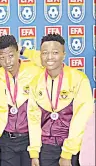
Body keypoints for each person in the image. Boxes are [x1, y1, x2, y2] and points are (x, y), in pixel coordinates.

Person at [27, 34, 94, 166]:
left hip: (71, 147)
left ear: (64, 54)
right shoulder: (36, 82)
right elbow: (33, 119)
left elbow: (81, 117)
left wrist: (67, 153)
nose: (50, 57)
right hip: (46, 148)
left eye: (55, 52)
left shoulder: (79, 79)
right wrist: (34, 151)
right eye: (45, 53)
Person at [0, 35, 42, 166]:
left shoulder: (34, 71)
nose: (7, 61)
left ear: (17, 52)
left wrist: (24, 50)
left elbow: (48, 60)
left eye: (11, 55)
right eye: (2, 58)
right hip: (5, 139)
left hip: (30, 138)